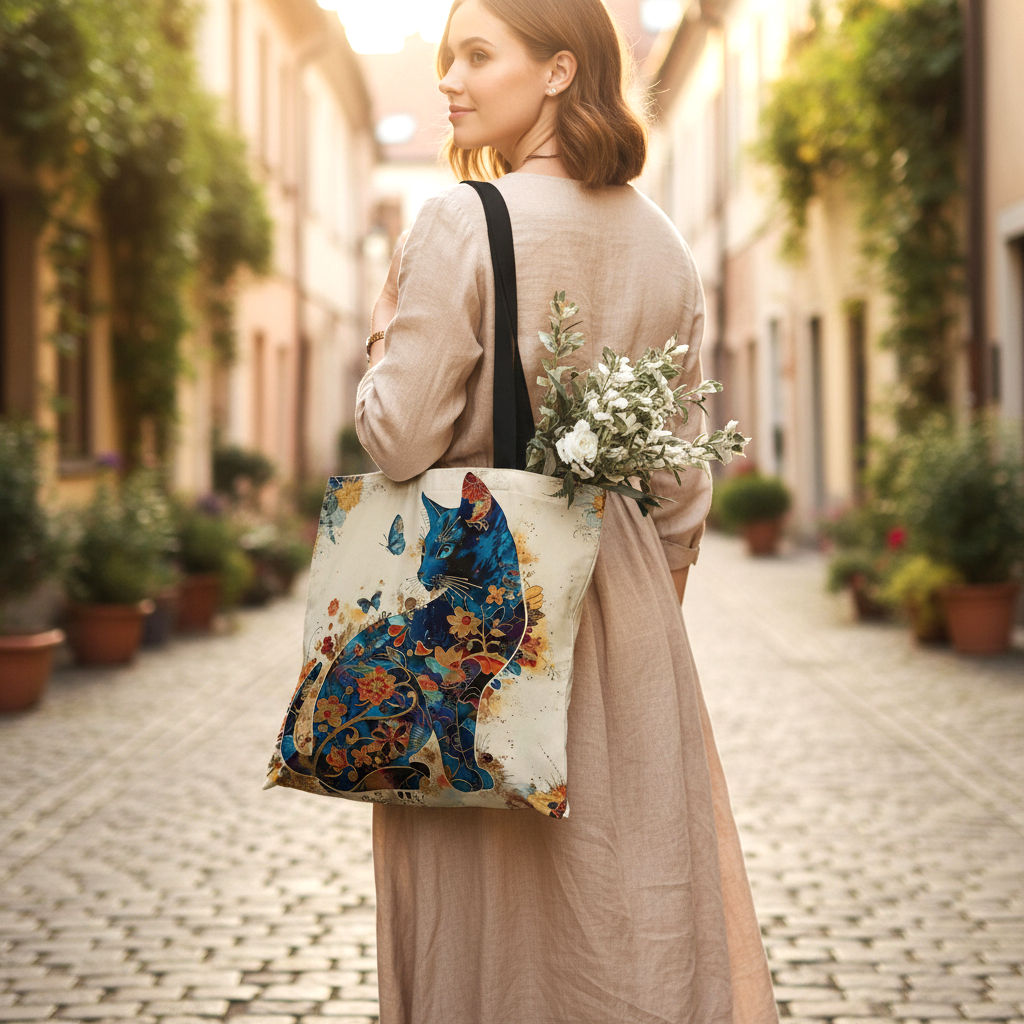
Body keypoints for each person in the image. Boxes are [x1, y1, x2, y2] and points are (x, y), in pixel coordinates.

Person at [355, 0, 778, 1020]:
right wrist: (628, 641)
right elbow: (678, 494)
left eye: (476, 55)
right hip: (626, 619)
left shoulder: (461, 218)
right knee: (619, 906)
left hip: (474, 615)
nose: (448, 79)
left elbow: (399, 436)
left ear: (555, 72)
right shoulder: (665, 243)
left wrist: (384, 338)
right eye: (448, 55)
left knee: (480, 910)